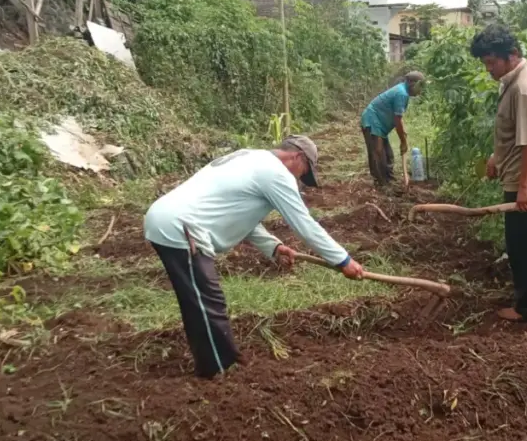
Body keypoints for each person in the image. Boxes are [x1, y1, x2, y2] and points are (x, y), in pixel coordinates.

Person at [144, 135, 365, 378]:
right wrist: (343, 260)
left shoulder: (251, 158)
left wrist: (273, 246)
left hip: (170, 220)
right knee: (206, 302)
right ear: (297, 156)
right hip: (181, 228)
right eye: (303, 172)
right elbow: (304, 225)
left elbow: (239, 214)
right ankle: (219, 370)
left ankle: (219, 363)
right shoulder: (275, 173)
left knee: (199, 300)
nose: (299, 179)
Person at [469, 23, 527, 322]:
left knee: (526, 248)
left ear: (512, 55)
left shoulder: (525, 88)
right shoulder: (514, 80)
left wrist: (525, 187)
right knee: (520, 244)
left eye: (491, 62)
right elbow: (514, 132)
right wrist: (497, 158)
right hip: (523, 176)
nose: (489, 69)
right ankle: (526, 298)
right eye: (486, 63)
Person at [360, 71, 425, 187]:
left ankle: (389, 180)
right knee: (378, 153)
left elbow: (399, 116)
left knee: (388, 155)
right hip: (372, 120)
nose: (421, 90)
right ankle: (381, 184)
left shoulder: (403, 93)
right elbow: (397, 121)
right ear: (412, 84)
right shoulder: (402, 94)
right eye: (420, 86)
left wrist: (403, 135)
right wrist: (403, 141)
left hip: (380, 125)